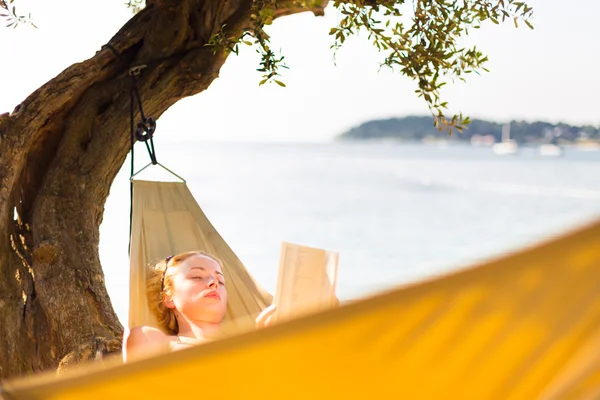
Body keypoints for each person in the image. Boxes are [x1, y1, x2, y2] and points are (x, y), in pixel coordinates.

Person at [124, 250, 276, 362]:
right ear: (169, 297)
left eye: (220, 281)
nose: (214, 283)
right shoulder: (153, 341)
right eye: (197, 276)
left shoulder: (246, 348)